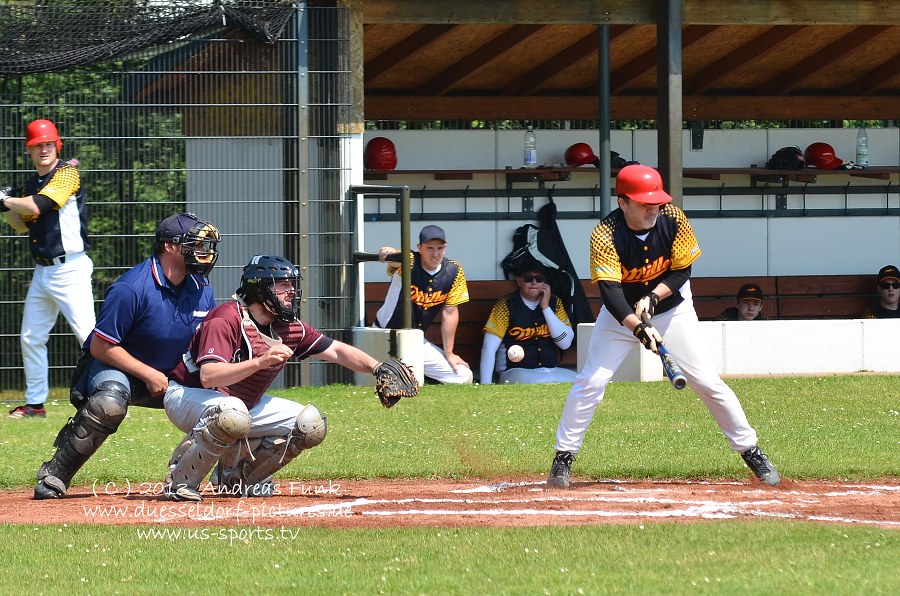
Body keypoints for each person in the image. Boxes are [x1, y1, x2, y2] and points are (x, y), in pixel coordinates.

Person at [547, 164, 781, 489]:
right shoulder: (605, 234)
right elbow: (610, 294)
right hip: (621, 313)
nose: (653, 208)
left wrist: (653, 299)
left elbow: (683, 271)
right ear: (623, 201)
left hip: (672, 308)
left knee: (707, 382)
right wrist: (638, 327)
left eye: (656, 201)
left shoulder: (673, 218)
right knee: (591, 381)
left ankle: (750, 450)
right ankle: (563, 459)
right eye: (644, 203)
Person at [162, 254, 394, 501]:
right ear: (260, 289)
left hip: (236, 404)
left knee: (310, 425)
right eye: (283, 284)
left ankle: (239, 477)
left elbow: (336, 350)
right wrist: (260, 362)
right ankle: (180, 481)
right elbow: (209, 376)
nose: (291, 291)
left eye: (292, 284)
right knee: (232, 411)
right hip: (186, 395)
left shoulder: (288, 326)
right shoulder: (226, 319)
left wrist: (376, 367)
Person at [33, 213, 221, 499]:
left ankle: (218, 475)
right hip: (117, 370)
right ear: (170, 246)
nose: (204, 253)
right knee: (109, 403)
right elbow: (100, 347)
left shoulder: (201, 288)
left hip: (169, 376)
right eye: (195, 245)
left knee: (227, 403)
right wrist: (148, 374)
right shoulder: (131, 288)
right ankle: (55, 475)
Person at [1, 119, 96, 419]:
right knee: (30, 336)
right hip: (42, 272)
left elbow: (37, 206)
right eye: (36, 145)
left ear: (58, 145)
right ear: (29, 150)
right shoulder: (30, 186)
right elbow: (19, 224)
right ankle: (35, 404)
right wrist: (5, 208)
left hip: (71, 269)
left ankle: (111, 394)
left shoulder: (68, 173)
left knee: (90, 337)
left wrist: (5, 199)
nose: (43, 149)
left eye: (47, 144)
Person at [373, 224, 473, 384]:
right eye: (430, 248)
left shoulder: (454, 270)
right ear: (420, 248)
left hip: (415, 340)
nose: (435, 254)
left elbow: (450, 312)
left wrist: (449, 353)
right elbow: (396, 257)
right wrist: (389, 251)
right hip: (384, 336)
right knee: (396, 383)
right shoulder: (411, 260)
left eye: (440, 248)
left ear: (445, 248)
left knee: (463, 375)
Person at [480, 260, 577, 384]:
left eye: (539, 278)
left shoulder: (555, 303)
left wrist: (546, 308)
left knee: (582, 381)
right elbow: (488, 348)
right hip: (514, 371)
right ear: (519, 281)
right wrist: (485, 384)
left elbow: (565, 343)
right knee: (537, 381)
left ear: (545, 282)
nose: (534, 282)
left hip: (550, 369)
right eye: (528, 278)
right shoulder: (505, 305)